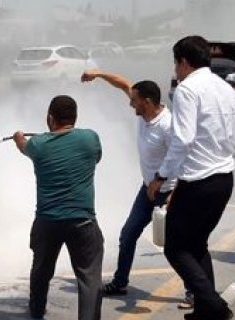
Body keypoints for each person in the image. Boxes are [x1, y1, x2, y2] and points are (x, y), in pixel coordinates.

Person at [80, 69, 194, 308]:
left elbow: (184, 160)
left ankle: (193, 291)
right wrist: (98, 74)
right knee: (128, 234)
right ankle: (120, 282)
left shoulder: (169, 125)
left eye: (134, 101)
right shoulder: (144, 113)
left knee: (177, 246)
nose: (131, 105)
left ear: (148, 102)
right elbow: (123, 82)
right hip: (147, 190)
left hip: (169, 192)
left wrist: (173, 193)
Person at [148, 36, 235, 320]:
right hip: (224, 177)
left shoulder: (187, 89)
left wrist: (161, 177)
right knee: (197, 245)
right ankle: (205, 309)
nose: (175, 70)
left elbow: (182, 140)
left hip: (198, 181)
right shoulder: (225, 87)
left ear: (184, 62)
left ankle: (214, 304)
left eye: (176, 63)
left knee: (175, 248)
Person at [12, 95, 106, 320]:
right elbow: (95, 158)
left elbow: (23, 145)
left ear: (50, 117)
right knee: (89, 277)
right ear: (74, 118)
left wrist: (19, 137)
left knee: (41, 268)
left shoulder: (38, 145)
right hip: (82, 222)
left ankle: (36, 309)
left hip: (47, 221)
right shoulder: (90, 139)